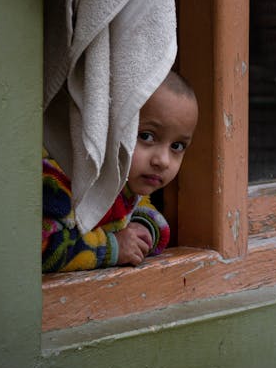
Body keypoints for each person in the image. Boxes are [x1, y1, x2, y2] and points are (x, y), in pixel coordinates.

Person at [42, 70, 198, 272]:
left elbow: (146, 211)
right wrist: (112, 247)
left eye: (177, 146)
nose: (163, 161)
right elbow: (41, 247)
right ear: (107, 123)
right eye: (146, 136)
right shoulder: (62, 182)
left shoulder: (125, 184)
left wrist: (143, 229)